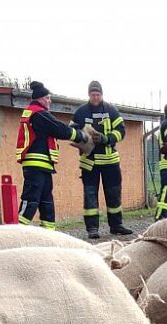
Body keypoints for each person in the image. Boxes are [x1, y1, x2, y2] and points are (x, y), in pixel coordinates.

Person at [15, 80, 94, 230]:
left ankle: (49, 236)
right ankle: (15, 233)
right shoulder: (39, 114)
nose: (50, 101)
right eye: (47, 98)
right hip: (36, 165)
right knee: (31, 201)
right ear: (39, 98)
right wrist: (80, 136)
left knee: (47, 203)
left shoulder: (37, 113)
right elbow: (59, 129)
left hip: (42, 166)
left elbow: (56, 128)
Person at [73, 81, 132, 239]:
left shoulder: (111, 110)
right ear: (88, 95)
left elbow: (121, 131)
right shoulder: (80, 112)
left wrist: (106, 138)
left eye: (98, 94)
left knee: (114, 194)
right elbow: (71, 130)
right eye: (93, 94)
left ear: (102, 94)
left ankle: (116, 225)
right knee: (90, 195)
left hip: (110, 161)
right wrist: (81, 137)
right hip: (89, 162)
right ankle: (92, 228)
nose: (95, 97)